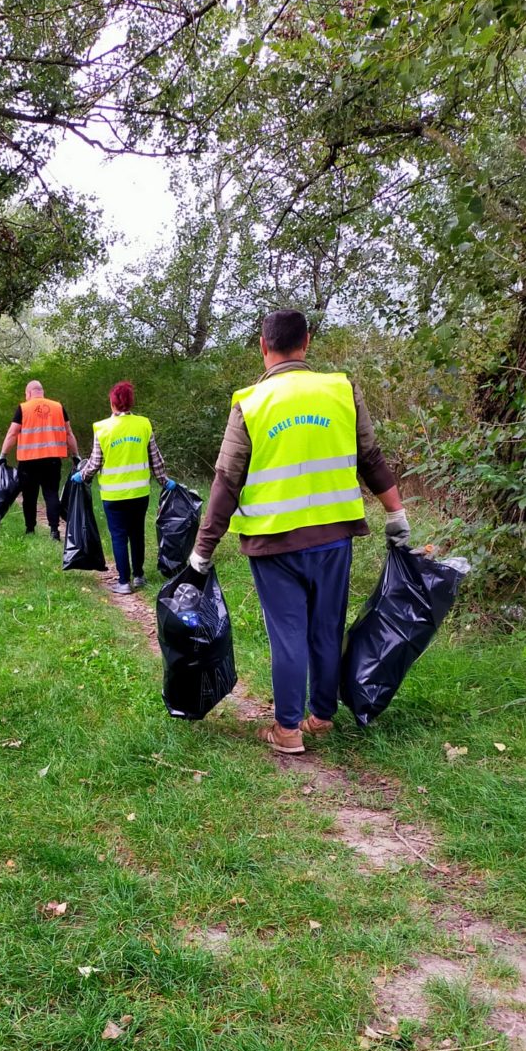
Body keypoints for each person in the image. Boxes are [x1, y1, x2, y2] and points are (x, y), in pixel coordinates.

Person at [187, 309, 410, 754]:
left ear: (263, 346)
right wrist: (396, 515)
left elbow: (226, 481)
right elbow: (371, 457)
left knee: (287, 632)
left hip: (274, 543)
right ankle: (321, 716)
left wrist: (202, 551)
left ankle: (287, 730)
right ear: (306, 342)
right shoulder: (340, 390)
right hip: (333, 537)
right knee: (326, 627)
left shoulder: (250, 403)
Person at [72, 380, 174, 595]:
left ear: (112, 403)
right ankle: (139, 576)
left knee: (119, 536)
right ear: (130, 402)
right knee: (137, 533)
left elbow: (95, 463)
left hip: (114, 495)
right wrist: (165, 482)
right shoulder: (144, 424)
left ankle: (123, 582)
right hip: (139, 493)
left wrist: (81, 476)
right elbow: (156, 459)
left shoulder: (102, 428)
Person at [0, 380, 80, 539]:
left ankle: (30, 529)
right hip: (52, 459)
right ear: (41, 392)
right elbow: (69, 433)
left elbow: (12, 434)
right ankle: (54, 531)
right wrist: (75, 455)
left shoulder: (23, 408)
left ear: (28, 393)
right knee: (51, 494)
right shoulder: (58, 407)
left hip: (28, 461)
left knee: (29, 496)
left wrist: (3, 455)